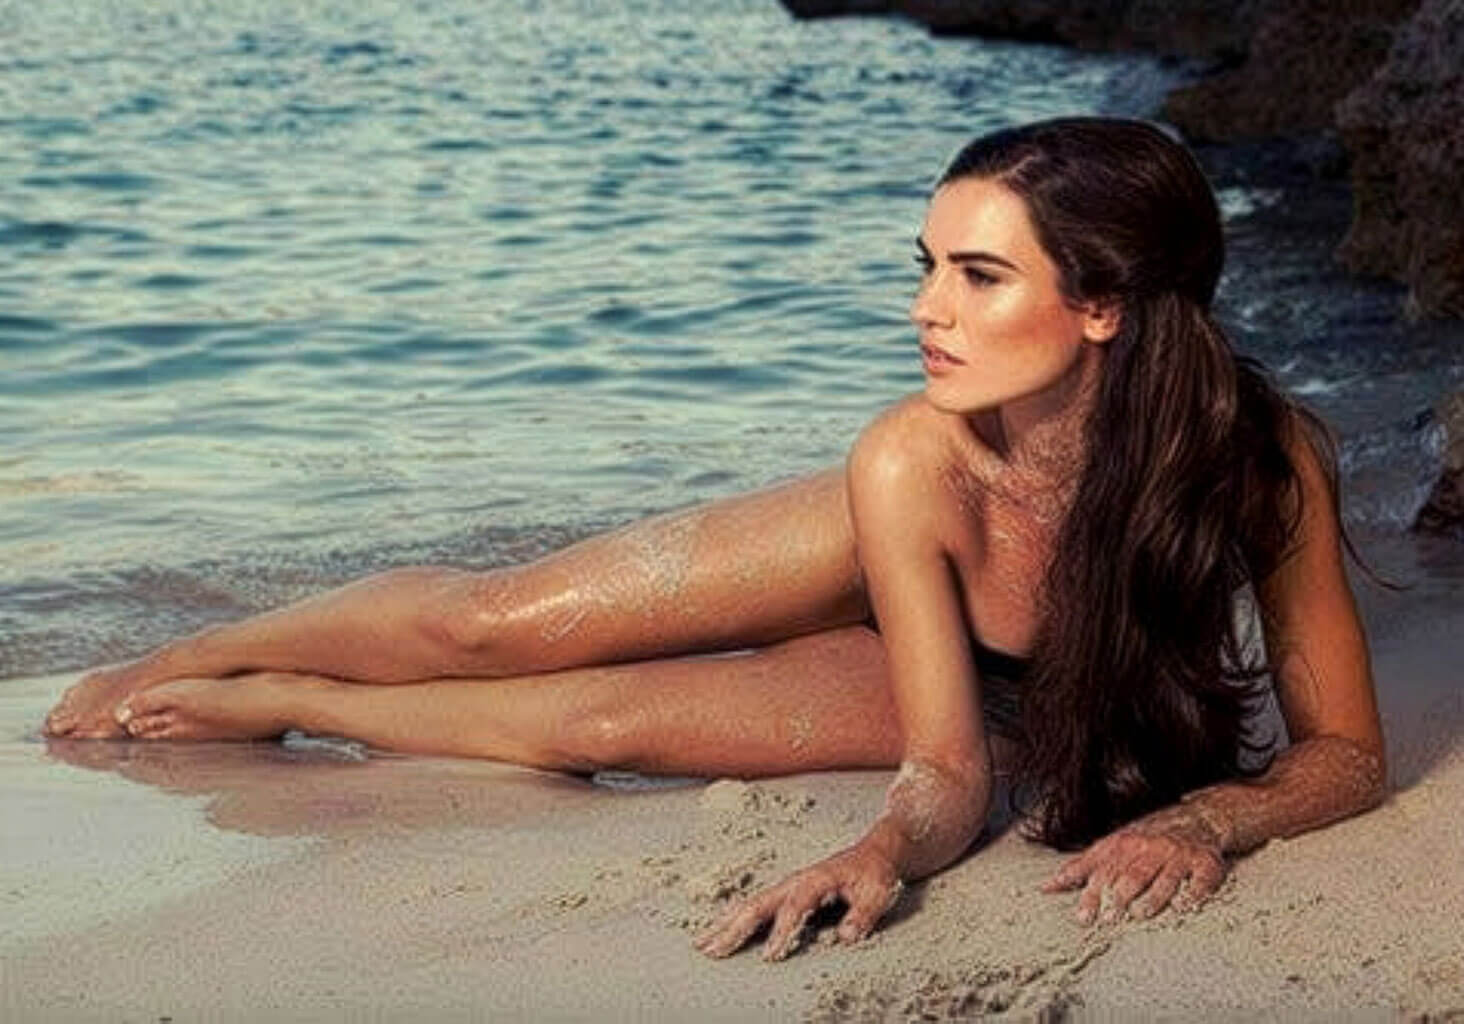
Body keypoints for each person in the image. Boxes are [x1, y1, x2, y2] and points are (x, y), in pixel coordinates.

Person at [43, 116, 1386, 961]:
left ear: (1103, 306)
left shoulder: (1262, 462)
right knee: (496, 626)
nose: (929, 309)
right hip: (899, 555)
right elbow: (934, 782)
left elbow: (1345, 754)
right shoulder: (913, 453)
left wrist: (1210, 820)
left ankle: (279, 702)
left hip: (1012, 688)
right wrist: (883, 843)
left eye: (978, 277)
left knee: (600, 731)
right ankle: (204, 645)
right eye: (922, 265)